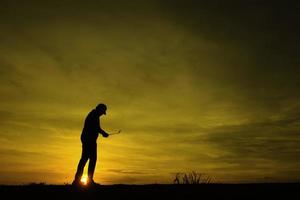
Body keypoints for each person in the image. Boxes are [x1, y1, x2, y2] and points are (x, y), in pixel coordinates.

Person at [72, 103, 109, 186]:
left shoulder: (93, 114)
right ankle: (86, 181)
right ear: (100, 110)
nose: (102, 114)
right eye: (102, 112)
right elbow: (96, 128)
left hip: (87, 139)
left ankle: (78, 181)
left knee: (85, 159)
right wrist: (103, 133)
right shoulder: (94, 115)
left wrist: (102, 133)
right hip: (89, 140)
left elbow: (96, 128)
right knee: (91, 159)